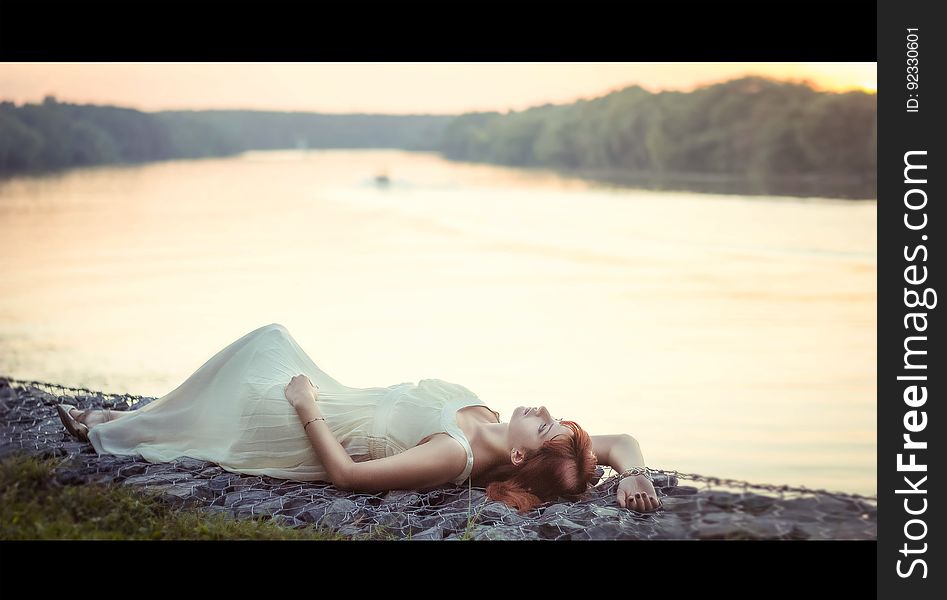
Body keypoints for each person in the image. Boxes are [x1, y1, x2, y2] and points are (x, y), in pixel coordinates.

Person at [57, 323, 661, 514]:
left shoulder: (454, 453)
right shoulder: (496, 422)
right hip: (337, 396)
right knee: (266, 343)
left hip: (308, 422)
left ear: (524, 457)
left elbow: (344, 477)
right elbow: (620, 442)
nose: (544, 412)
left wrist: (306, 407)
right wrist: (636, 474)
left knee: (262, 351)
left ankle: (110, 428)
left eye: (544, 426)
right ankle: (125, 416)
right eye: (554, 419)